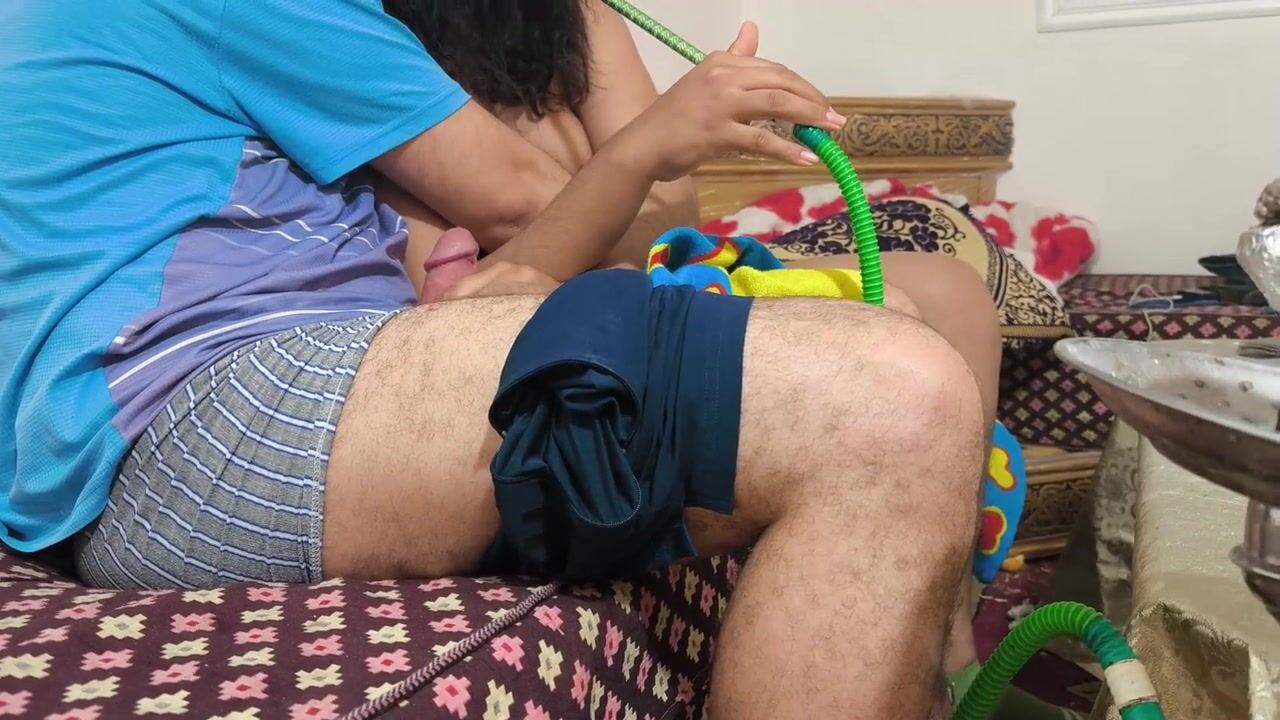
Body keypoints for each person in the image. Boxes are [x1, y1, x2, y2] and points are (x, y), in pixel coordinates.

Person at [1, 2, 984, 718]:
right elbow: (515, 210)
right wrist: (632, 165)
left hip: (226, 406)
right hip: (202, 414)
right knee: (889, 398)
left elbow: (527, 253)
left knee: (901, 332)